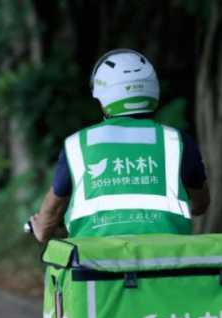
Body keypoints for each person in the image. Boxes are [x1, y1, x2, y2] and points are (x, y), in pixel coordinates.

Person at [30, 49, 209, 242]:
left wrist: (42, 228)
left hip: (96, 265)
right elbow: (200, 204)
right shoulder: (177, 142)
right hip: (165, 261)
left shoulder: (78, 145)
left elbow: (52, 211)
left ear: (102, 96)